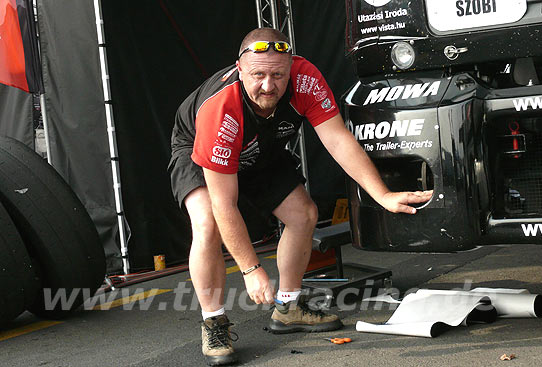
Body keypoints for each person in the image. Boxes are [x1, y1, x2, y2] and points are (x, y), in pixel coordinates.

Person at [169, 27, 432, 366]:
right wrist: (250, 269)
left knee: (303, 213)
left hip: (261, 148)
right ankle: (214, 321)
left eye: (278, 75)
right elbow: (224, 203)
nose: (268, 85)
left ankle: (289, 308)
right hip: (200, 148)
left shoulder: (306, 78)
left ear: (291, 67)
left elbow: (337, 139)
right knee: (207, 225)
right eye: (258, 75)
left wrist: (381, 194)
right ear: (239, 68)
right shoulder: (220, 109)